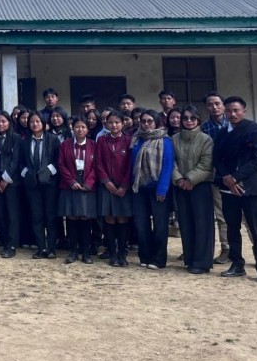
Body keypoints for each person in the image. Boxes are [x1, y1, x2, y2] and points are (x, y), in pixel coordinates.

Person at [213, 96, 257, 285]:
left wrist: (236, 177)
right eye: (229, 111)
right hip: (228, 188)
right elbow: (217, 160)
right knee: (232, 227)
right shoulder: (222, 134)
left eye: (236, 110)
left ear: (244, 111)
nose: (232, 114)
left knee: (256, 229)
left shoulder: (254, 130)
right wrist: (227, 179)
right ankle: (237, 264)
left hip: (251, 187)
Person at [171, 105, 215, 274]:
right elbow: (171, 162)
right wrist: (180, 179)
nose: (189, 121)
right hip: (180, 185)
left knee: (202, 224)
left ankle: (202, 262)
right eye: (185, 118)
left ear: (198, 120)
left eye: (193, 118)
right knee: (186, 223)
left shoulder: (206, 139)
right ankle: (190, 259)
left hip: (200, 186)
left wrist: (191, 179)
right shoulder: (174, 139)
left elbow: (206, 165)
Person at [130, 110, 174, 270]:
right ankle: (145, 255)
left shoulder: (165, 141)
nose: (146, 124)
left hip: (158, 189)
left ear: (157, 122)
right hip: (139, 188)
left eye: (150, 121)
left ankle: (159, 259)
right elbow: (131, 163)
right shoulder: (136, 138)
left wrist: (162, 189)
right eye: (144, 121)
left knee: (160, 225)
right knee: (141, 224)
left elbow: (168, 165)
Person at [19, 110, 60, 259]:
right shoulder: (24, 142)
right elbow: (21, 163)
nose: (34, 124)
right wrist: (27, 174)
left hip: (49, 184)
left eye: (37, 121)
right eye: (31, 122)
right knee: (36, 217)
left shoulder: (53, 139)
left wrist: (47, 172)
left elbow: (58, 160)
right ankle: (41, 248)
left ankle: (51, 249)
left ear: (43, 123)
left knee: (50, 217)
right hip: (32, 185)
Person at [58, 116, 98, 264]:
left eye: (83, 127)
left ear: (88, 129)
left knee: (85, 218)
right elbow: (61, 165)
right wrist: (71, 181)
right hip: (70, 184)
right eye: (77, 127)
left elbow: (97, 166)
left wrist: (89, 182)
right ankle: (73, 251)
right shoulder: (65, 145)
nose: (80, 129)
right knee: (72, 217)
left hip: (88, 184)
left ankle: (86, 252)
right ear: (72, 128)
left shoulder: (94, 145)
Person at [95, 111, 132, 267]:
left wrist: (124, 185)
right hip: (107, 186)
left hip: (124, 186)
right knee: (109, 218)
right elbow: (98, 162)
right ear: (106, 124)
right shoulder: (102, 140)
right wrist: (106, 181)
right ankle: (112, 252)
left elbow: (131, 165)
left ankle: (122, 252)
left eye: (117, 122)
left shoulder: (129, 140)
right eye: (111, 122)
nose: (114, 125)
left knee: (122, 218)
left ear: (123, 123)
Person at [202, 91, 231, 263]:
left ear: (223, 105)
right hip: (215, 177)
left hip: (239, 176)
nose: (214, 107)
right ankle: (226, 248)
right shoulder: (204, 127)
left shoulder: (235, 124)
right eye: (210, 104)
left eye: (217, 104)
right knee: (221, 216)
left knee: (249, 217)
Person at [0, 112, 21, 258]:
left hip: (11, 183)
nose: (0, 124)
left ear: (9, 123)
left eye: (3, 121)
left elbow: (16, 160)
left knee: (12, 214)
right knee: (1, 213)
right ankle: (4, 240)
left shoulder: (16, 139)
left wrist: (5, 179)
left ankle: (12, 244)